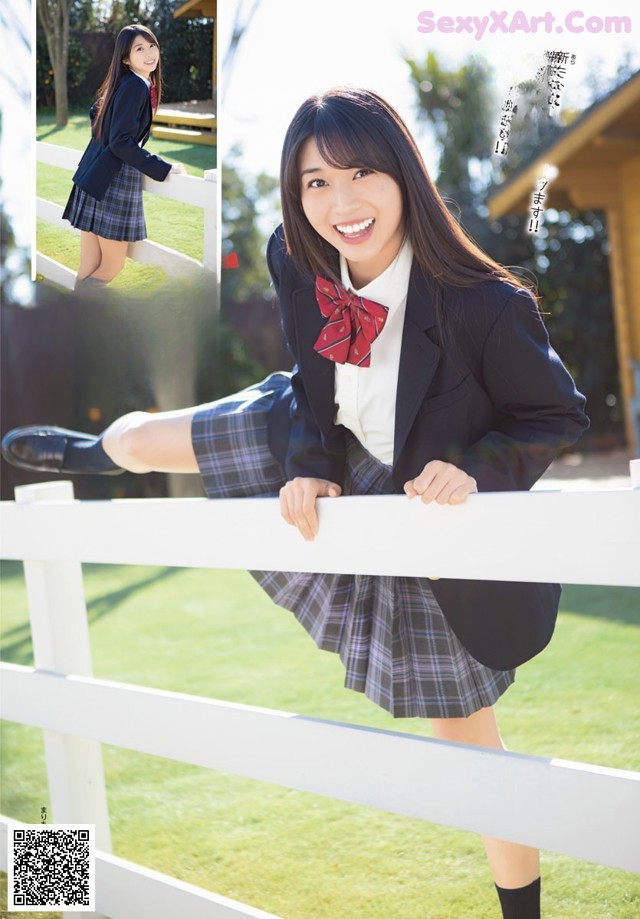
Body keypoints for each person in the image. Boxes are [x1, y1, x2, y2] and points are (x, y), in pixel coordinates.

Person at [4, 86, 589, 918]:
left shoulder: (487, 303)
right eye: (317, 181)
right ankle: (91, 452)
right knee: (140, 440)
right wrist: (311, 461)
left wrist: (474, 470)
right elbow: (314, 380)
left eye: (361, 174)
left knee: (473, 747)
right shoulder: (295, 254)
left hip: (417, 498)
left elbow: (556, 413)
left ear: (403, 175)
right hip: (315, 430)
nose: (341, 202)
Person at [61, 24, 186, 290]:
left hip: (94, 176)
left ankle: (72, 315)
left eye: (152, 46)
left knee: (88, 265)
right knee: (112, 266)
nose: (149, 53)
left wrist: (107, 138)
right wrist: (162, 167)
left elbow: (96, 112)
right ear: (126, 58)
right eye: (139, 49)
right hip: (113, 181)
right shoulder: (135, 86)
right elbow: (121, 142)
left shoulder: (126, 82)